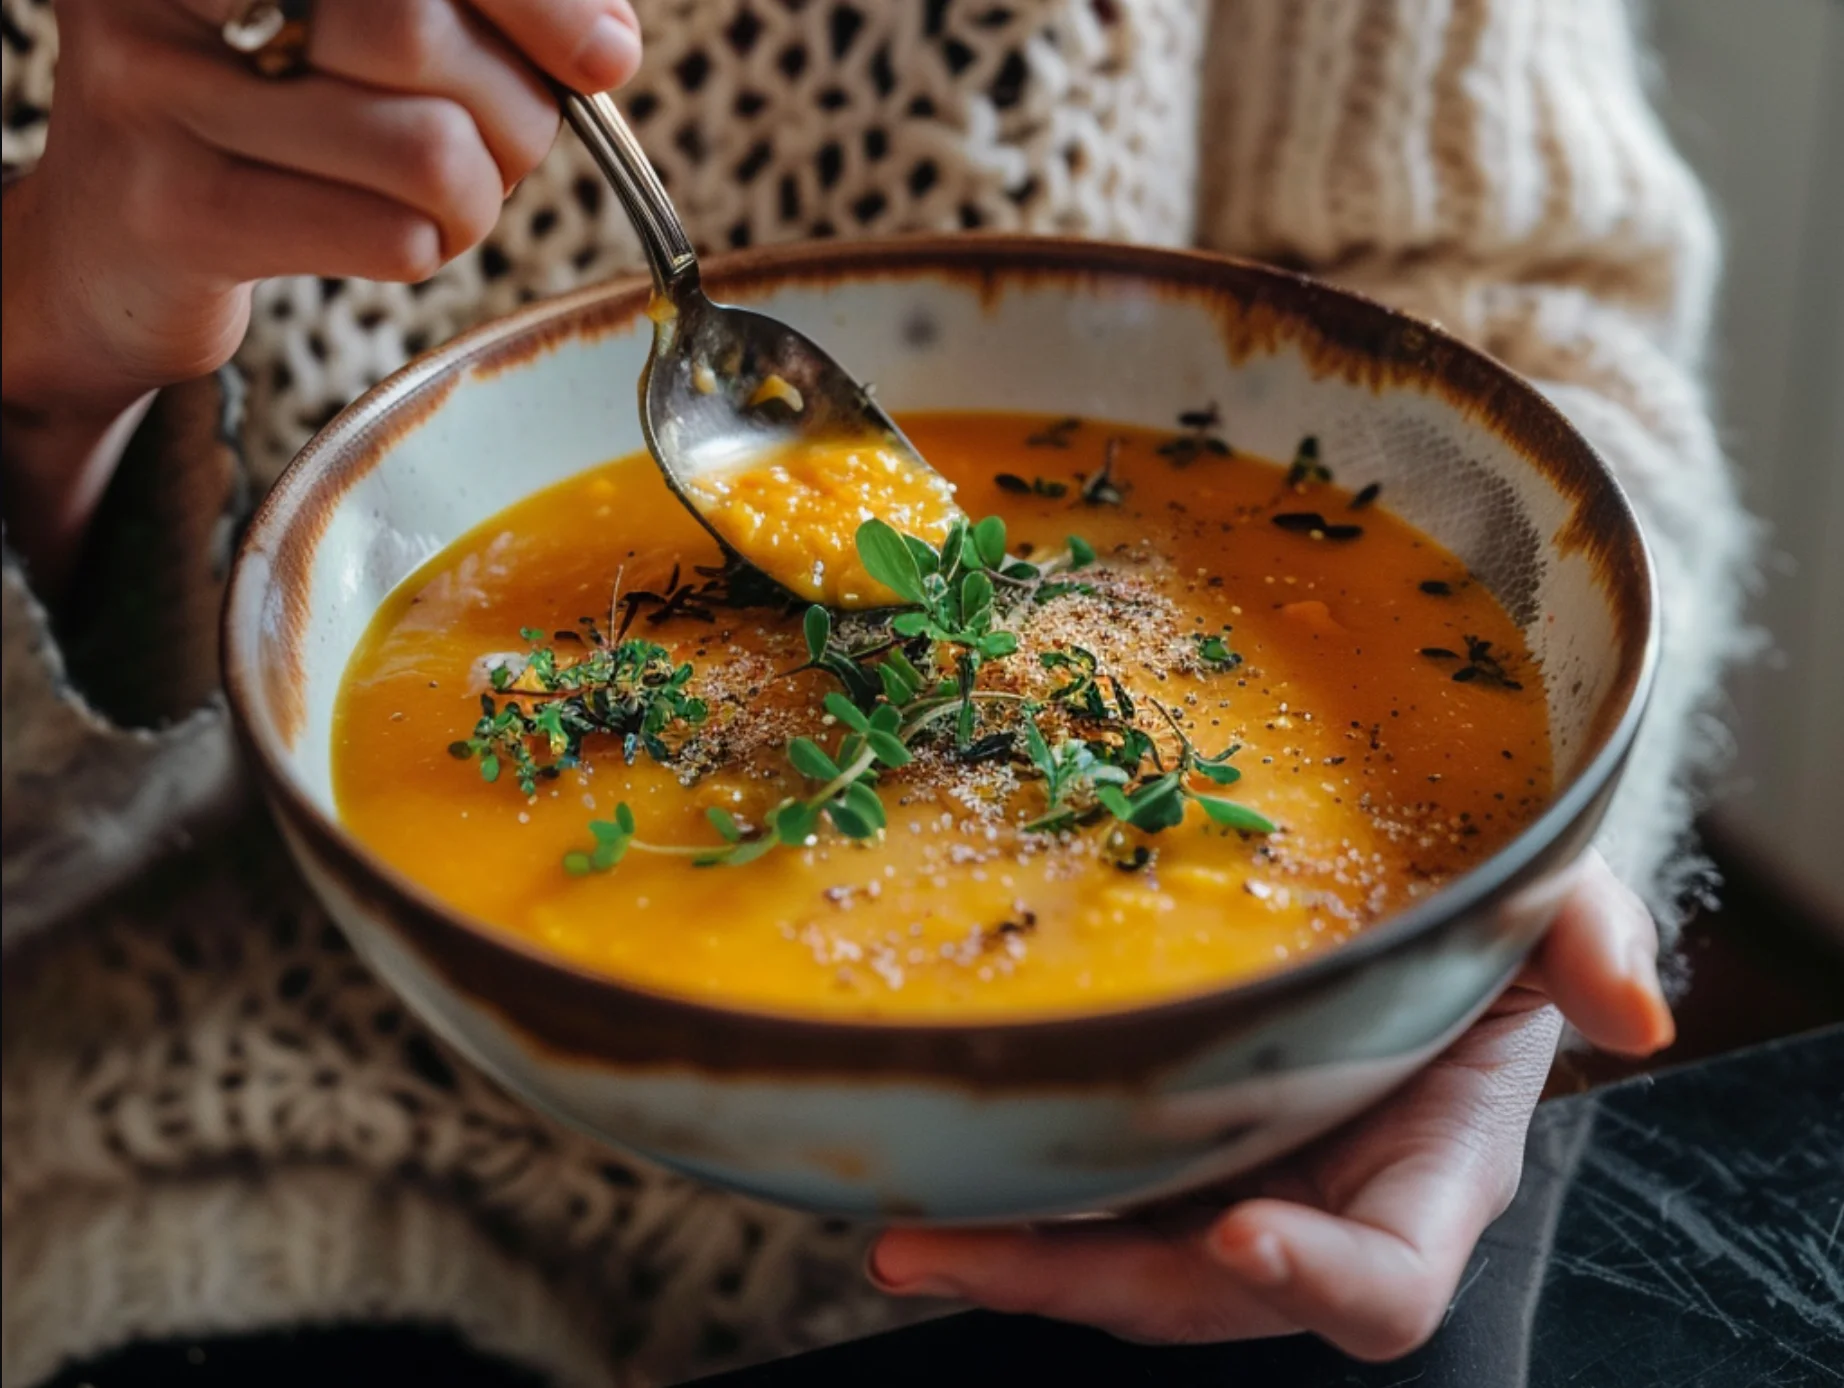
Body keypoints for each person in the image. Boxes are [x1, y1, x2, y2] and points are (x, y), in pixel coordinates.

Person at [0, 0, 1751, 1383]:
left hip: (1220, 1117)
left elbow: (1526, 317)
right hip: (267, 1141)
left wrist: (1503, 908)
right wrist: (49, 339)